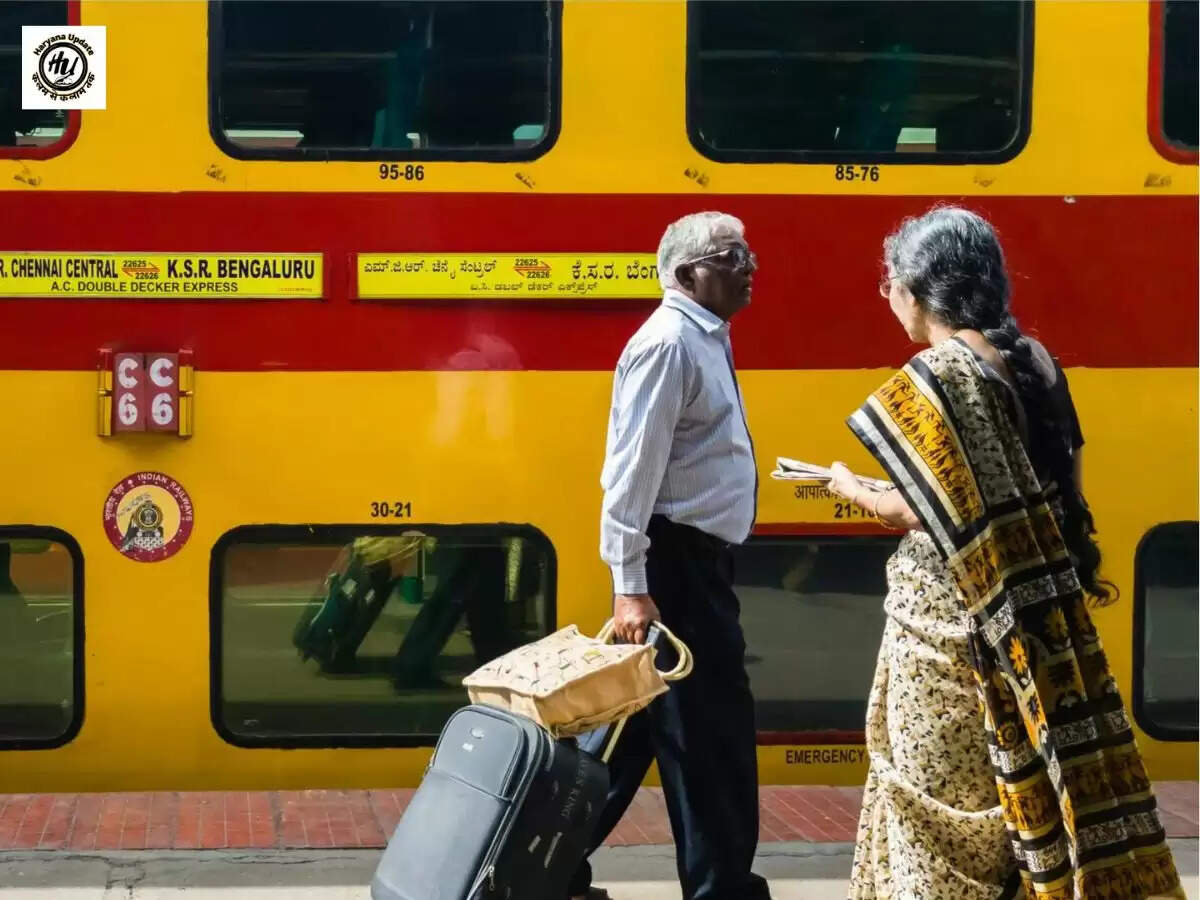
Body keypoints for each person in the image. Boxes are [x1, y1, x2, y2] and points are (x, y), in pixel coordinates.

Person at [826, 207, 1183, 899]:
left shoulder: (939, 374)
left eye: (889, 283)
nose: (887, 298)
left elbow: (927, 511)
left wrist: (852, 489)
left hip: (949, 637)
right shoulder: (1037, 362)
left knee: (936, 810)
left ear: (916, 288)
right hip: (1032, 629)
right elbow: (1062, 488)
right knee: (1016, 814)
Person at [568, 212, 771, 900]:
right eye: (732, 257)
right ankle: (722, 890)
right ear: (687, 275)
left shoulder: (704, 337)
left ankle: (545, 863)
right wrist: (631, 585)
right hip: (674, 570)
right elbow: (629, 477)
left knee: (638, 732)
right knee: (708, 735)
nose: (749, 267)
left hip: (694, 565)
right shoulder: (668, 344)